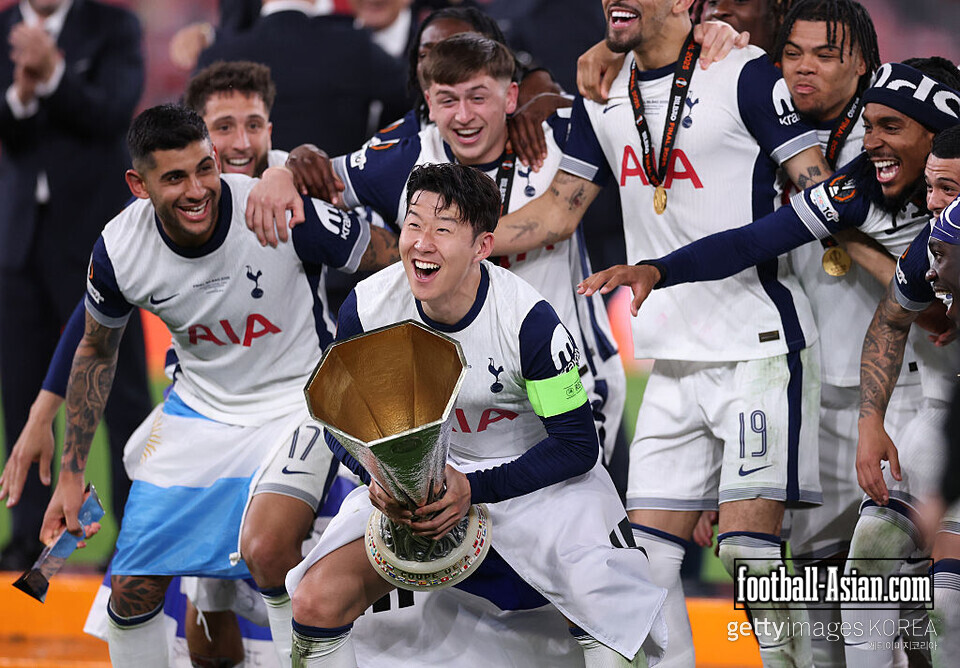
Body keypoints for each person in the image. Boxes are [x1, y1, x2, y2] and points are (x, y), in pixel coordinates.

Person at [486, 1, 832, 665]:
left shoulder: (743, 71)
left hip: (758, 349)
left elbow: (821, 192)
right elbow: (557, 211)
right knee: (641, 566)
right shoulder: (601, 89)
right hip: (669, 360)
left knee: (749, 554)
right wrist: (457, 239)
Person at [595, 60, 960, 666]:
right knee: (872, 582)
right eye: (868, 126)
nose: (871, 142)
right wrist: (660, 270)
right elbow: (754, 242)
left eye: (891, 126)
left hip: (925, 401)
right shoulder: (858, 194)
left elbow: (930, 315)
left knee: (937, 599)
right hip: (920, 407)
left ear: (938, 135)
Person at [36, 104, 380, 668]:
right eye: (174, 177)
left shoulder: (273, 208)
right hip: (199, 413)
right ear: (139, 185)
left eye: (204, 169)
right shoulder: (120, 249)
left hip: (301, 402)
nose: (197, 190)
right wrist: (71, 476)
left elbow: (386, 257)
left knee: (268, 550)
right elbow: (95, 350)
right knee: (131, 588)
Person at [285, 161, 667, 668]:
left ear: (483, 246)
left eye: (443, 230)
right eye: (414, 224)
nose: (422, 243)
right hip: (415, 486)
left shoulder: (529, 322)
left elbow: (577, 445)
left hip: (536, 482)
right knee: (314, 600)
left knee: (613, 621)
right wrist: (376, 475)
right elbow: (339, 425)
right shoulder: (368, 308)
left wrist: (474, 487)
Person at [261, 33, 629, 469]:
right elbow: (316, 177)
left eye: (478, 97)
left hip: (570, 370)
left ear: (511, 96)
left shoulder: (558, 131)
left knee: (572, 488)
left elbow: (561, 213)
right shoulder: (403, 156)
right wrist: (283, 172)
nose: (464, 116)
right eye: (448, 100)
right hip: (455, 395)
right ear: (429, 105)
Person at [0, 0, 151, 571]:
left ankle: (134, 536)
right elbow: (10, 132)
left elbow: (113, 115)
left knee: (121, 393)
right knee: (22, 391)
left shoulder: (112, 26)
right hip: (19, 239)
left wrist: (53, 72)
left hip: (96, 241)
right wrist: (21, 94)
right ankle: (28, 539)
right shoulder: (2, 29)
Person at [196, 0, 409, 155]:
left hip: (243, 200)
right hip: (335, 198)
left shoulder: (216, 56)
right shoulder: (354, 45)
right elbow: (416, 95)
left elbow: (188, 132)